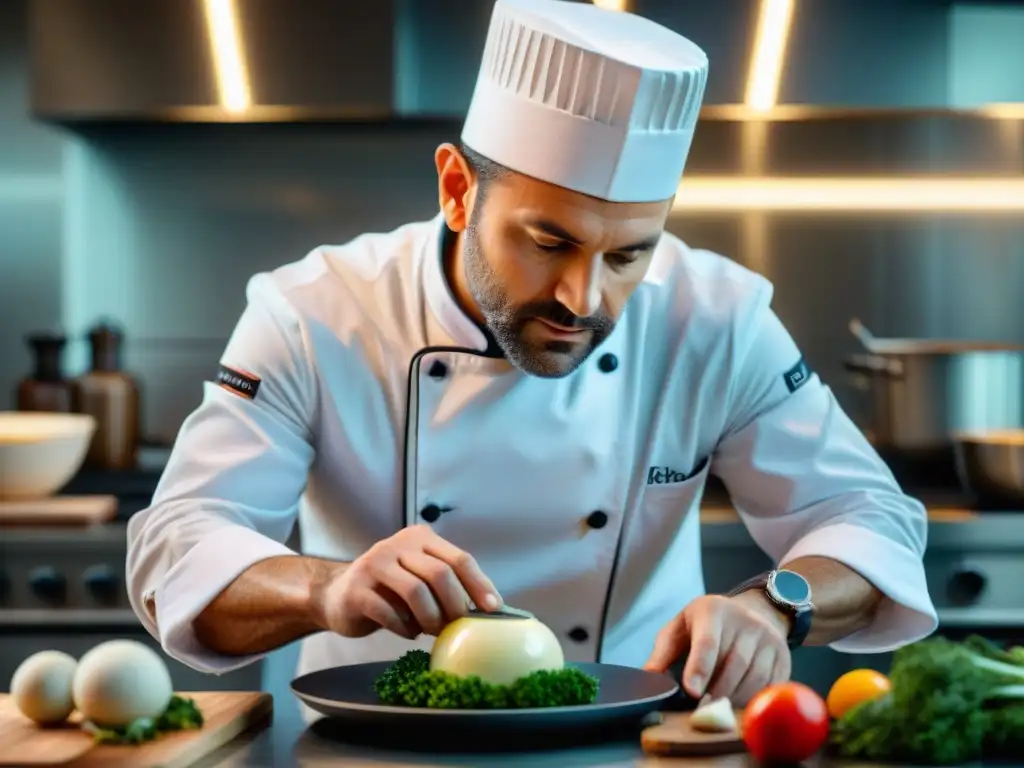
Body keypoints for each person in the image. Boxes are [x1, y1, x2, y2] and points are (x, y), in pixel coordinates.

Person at [126, 0, 937, 709]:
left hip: (638, 740)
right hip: (371, 746)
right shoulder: (316, 312)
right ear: (457, 190)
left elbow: (871, 519)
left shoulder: (717, 318)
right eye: (550, 241)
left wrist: (774, 604)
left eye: (629, 256)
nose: (584, 299)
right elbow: (181, 545)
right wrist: (326, 584)